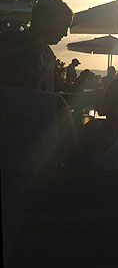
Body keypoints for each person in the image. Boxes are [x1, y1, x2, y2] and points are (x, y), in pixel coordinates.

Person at [0, 42, 81, 261]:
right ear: (25, 68)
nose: (43, 75)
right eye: (41, 68)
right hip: (42, 205)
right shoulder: (53, 103)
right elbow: (73, 156)